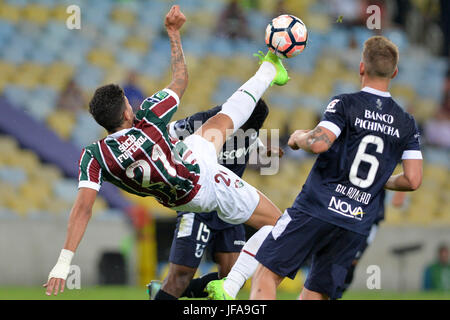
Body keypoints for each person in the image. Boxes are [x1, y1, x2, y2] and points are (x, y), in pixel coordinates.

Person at [43, 5, 290, 296]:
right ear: (125, 112)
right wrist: (173, 32)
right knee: (281, 223)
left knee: (221, 120)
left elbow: (82, 210)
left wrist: (63, 263)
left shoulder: (94, 157)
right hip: (203, 185)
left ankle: (270, 68)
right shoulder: (147, 118)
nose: (131, 105)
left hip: (186, 176)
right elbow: (181, 80)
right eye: (127, 103)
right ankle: (230, 285)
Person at [207, 36, 423, 300]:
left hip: (316, 207)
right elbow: (413, 180)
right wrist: (382, 180)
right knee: (316, 294)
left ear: (361, 68)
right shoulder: (407, 123)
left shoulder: (345, 104)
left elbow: (320, 143)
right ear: (395, 73)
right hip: (355, 221)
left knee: (267, 272)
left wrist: (298, 137)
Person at [147, 99, 283, 300]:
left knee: (231, 278)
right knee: (181, 275)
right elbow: (163, 133)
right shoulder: (203, 122)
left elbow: (253, 139)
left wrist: (265, 151)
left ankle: (169, 291)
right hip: (198, 205)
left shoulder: (251, 130)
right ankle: (172, 289)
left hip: (229, 207)